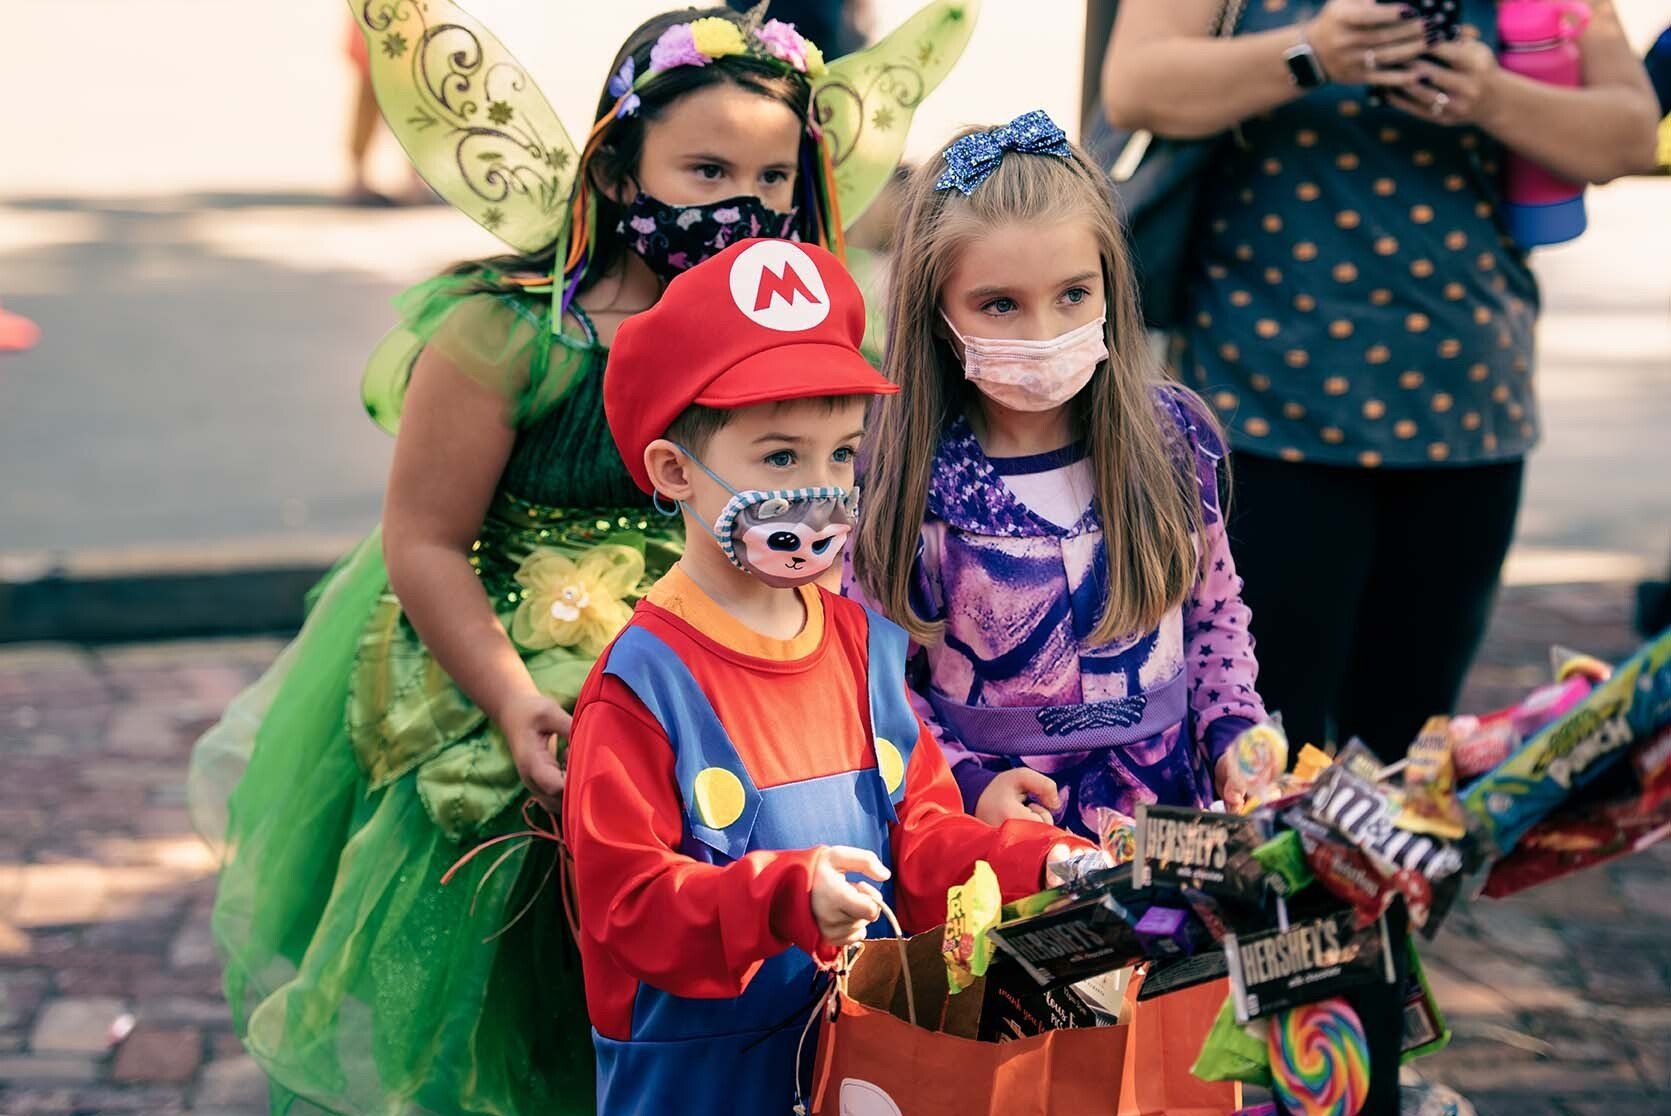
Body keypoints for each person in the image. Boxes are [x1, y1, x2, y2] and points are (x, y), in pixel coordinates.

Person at [188, 9, 864, 1113]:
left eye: (772, 176)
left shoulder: (790, 345)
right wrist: (508, 703)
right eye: (703, 168)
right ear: (615, 164)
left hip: (710, 655)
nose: (740, 202)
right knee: (529, 943)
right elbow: (424, 540)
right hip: (511, 668)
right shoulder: (512, 334)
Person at [566, 235, 1088, 1115]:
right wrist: (780, 898)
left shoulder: (863, 644)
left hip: (857, 1062)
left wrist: (1038, 865)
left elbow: (918, 838)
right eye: (780, 457)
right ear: (672, 470)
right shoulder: (640, 686)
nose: (822, 489)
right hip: (701, 1084)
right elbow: (626, 908)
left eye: (840, 454)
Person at [1103, 0, 1660, 759]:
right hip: (1260, 408)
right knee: (1252, 742)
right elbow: (1133, 86)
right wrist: (1313, 54)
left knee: (1408, 756)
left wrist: (1491, 95)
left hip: (1462, 410)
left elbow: (1628, 132)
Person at [850, 111, 1267, 843]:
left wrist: (1234, 730)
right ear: (935, 309)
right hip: (998, 844)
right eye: (1000, 304)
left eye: (1072, 295)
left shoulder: (1168, 440)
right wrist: (965, 783)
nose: (1042, 334)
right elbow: (876, 675)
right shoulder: (898, 471)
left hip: (1173, 820)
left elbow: (1212, 617)